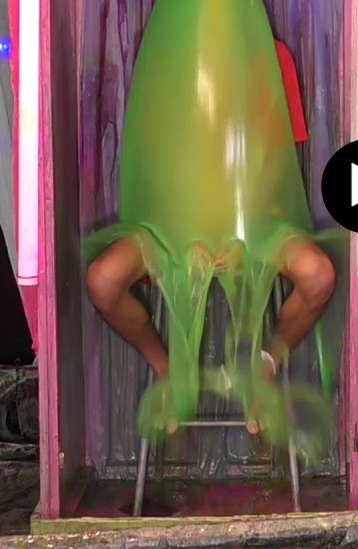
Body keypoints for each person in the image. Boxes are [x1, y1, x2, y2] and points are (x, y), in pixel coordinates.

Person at [84, 39, 336, 436]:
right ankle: (164, 369)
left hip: (256, 223)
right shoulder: (169, 53)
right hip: (170, 225)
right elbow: (157, 165)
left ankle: (266, 365)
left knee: (318, 274)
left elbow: (276, 165)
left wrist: (243, 236)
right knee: (103, 279)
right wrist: (185, 234)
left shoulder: (272, 58)